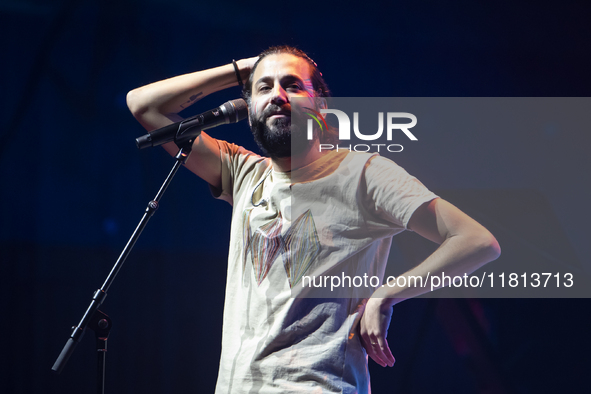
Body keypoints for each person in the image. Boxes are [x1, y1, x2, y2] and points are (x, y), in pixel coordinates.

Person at [127, 45, 501, 393]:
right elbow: (144, 105)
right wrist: (242, 69)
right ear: (248, 105)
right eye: (264, 88)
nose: (278, 95)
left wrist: (386, 295)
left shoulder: (364, 173)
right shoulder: (242, 172)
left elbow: (476, 241)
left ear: (320, 104)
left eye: (292, 85)